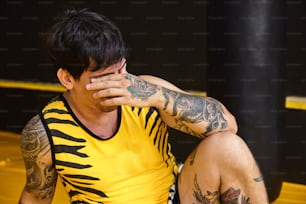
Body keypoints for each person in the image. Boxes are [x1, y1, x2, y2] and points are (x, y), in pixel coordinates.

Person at [18, 8, 268, 204]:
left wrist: (157, 97)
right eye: (105, 78)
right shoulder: (44, 132)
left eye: (121, 69)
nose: (120, 81)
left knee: (227, 146)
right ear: (67, 78)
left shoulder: (143, 89)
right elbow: (36, 197)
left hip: (175, 197)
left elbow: (228, 125)